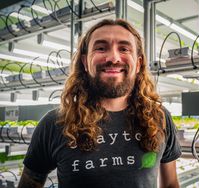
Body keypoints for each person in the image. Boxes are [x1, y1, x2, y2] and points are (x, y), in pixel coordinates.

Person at [18, 19, 182, 188]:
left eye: (124, 48)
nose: (113, 58)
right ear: (85, 62)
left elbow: (170, 184)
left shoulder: (159, 118)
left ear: (138, 63)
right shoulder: (54, 123)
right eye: (101, 48)